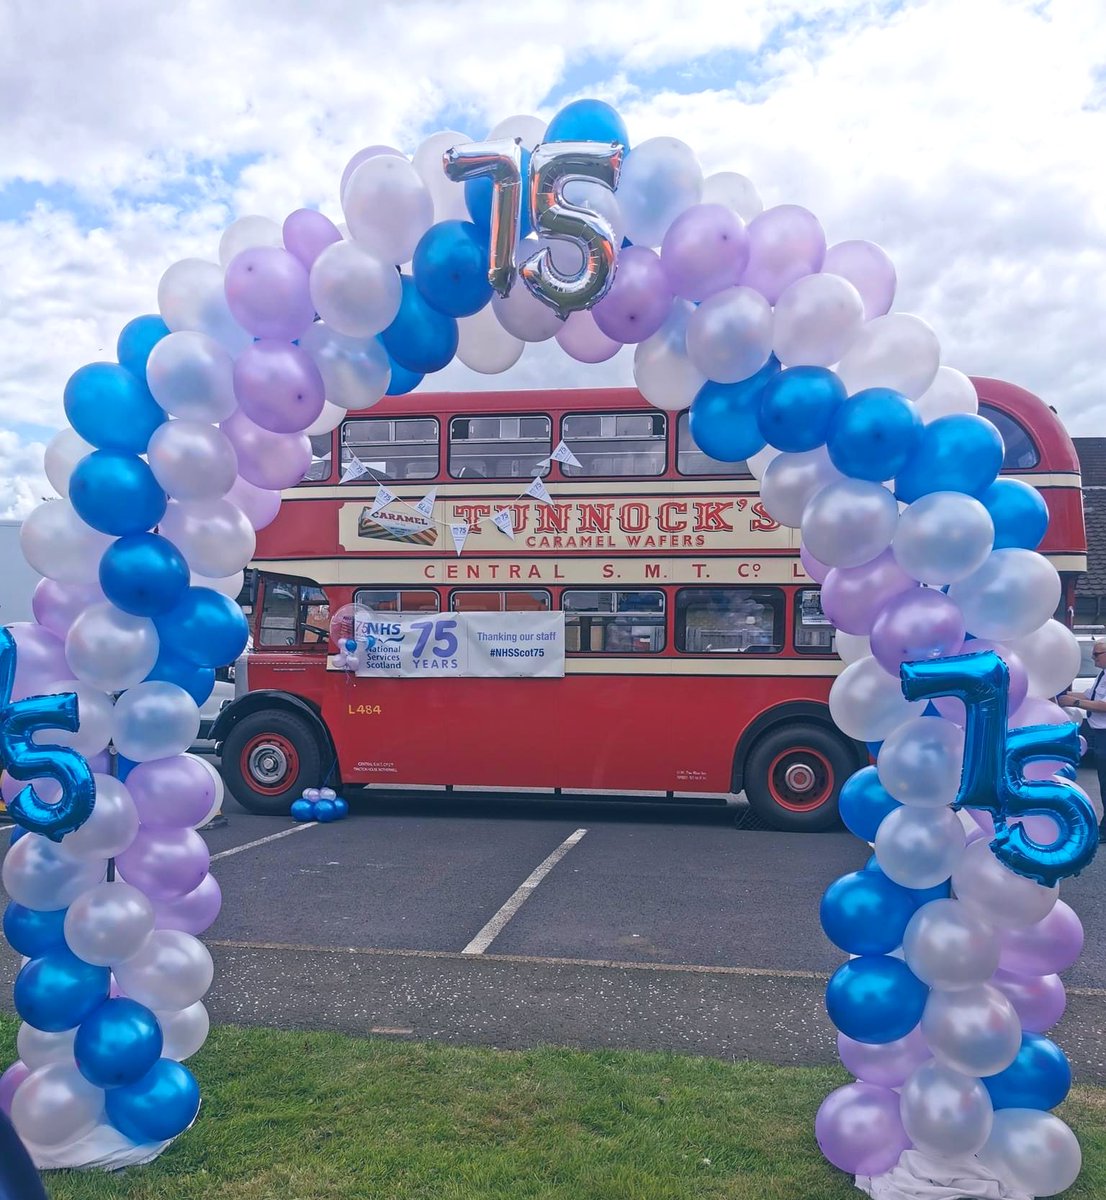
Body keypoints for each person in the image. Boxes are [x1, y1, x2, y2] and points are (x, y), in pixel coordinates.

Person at [1060, 638, 1106, 814]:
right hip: (1099, 734)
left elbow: (1103, 705)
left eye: (1096, 655)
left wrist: (1075, 702)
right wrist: (1060, 692)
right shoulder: (1102, 675)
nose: (1093, 659)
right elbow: (1091, 695)